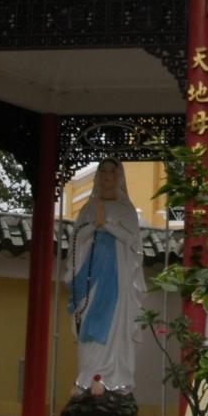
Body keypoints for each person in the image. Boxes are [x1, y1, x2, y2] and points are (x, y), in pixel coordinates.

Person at [68, 159, 145, 395]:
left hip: (117, 277)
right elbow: (76, 239)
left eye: (112, 171)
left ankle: (111, 377)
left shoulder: (125, 209)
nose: (107, 176)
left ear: (119, 176)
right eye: (103, 171)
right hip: (90, 275)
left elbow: (134, 242)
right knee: (88, 321)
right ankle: (86, 376)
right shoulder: (88, 208)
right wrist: (94, 226)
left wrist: (108, 226)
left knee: (114, 325)